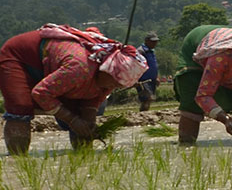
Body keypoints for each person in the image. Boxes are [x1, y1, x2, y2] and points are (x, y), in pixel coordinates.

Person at [0, 24, 147, 154]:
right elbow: (41, 93)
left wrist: (89, 123)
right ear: (106, 69)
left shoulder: (110, 79)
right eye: (114, 82)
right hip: (21, 58)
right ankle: (18, 159)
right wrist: (73, 120)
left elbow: (93, 100)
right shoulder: (80, 68)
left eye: (118, 86)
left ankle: (83, 156)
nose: (112, 87)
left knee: (81, 117)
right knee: (21, 107)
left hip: (55, 67)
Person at [136, 32, 161, 111]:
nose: (155, 43)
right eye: (152, 41)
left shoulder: (151, 51)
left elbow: (154, 65)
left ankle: (144, 113)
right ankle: (143, 114)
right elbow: (136, 65)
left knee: (149, 99)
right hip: (143, 80)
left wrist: (156, 77)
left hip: (151, 80)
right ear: (146, 41)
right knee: (147, 98)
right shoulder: (141, 51)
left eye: (156, 42)